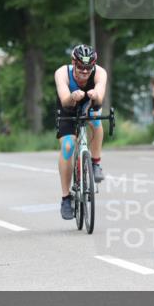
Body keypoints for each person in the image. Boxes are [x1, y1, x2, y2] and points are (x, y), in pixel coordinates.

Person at [55, 44, 108, 219]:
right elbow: (65, 100)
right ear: (73, 63)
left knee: (96, 120)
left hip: (90, 104)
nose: (85, 71)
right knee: (68, 146)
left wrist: (95, 95)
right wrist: (72, 96)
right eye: (80, 67)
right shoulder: (62, 73)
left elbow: (100, 96)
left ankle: (95, 163)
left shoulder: (100, 72)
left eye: (88, 67)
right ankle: (66, 198)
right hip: (67, 108)